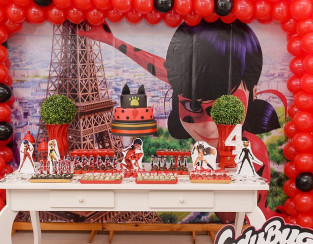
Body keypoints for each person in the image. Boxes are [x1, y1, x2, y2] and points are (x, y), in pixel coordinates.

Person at [78, 20, 283, 220]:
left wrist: (112, 41)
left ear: (254, 92)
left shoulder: (253, 150)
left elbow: (245, 216)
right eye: (193, 106)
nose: (209, 126)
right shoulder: (192, 86)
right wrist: (111, 40)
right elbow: (159, 67)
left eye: (223, 107)